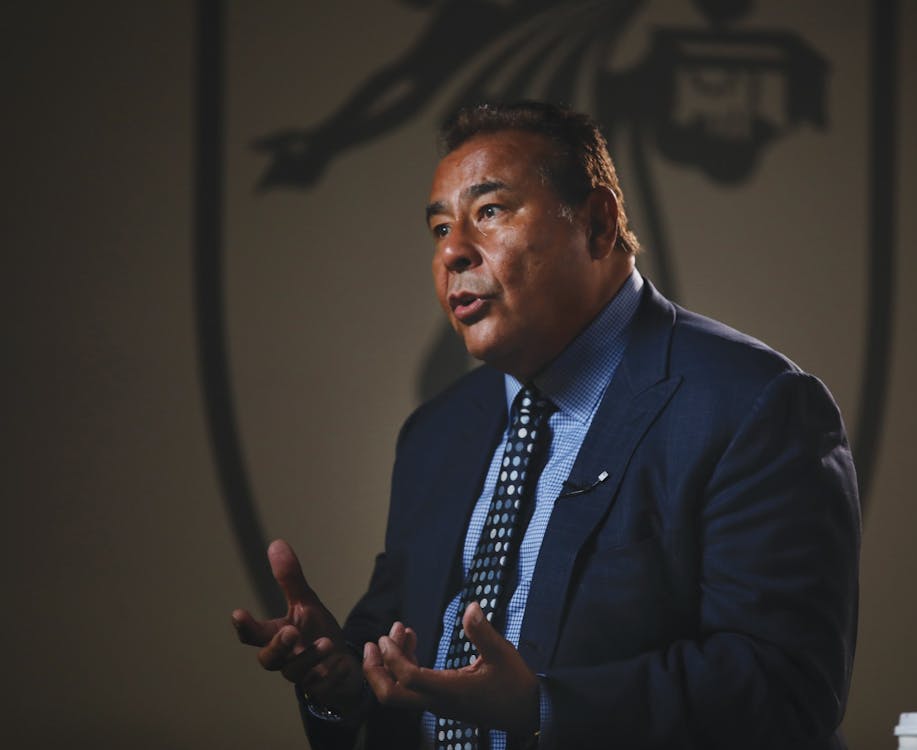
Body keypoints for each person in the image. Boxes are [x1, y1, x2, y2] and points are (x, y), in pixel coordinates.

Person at [233, 101, 861, 750]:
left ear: (595, 222)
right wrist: (340, 680)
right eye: (439, 228)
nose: (453, 251)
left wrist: (545, 708)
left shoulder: (756, 405)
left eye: (490, 212)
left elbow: (787, 685)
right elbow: (395, 643)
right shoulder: (435, 433)